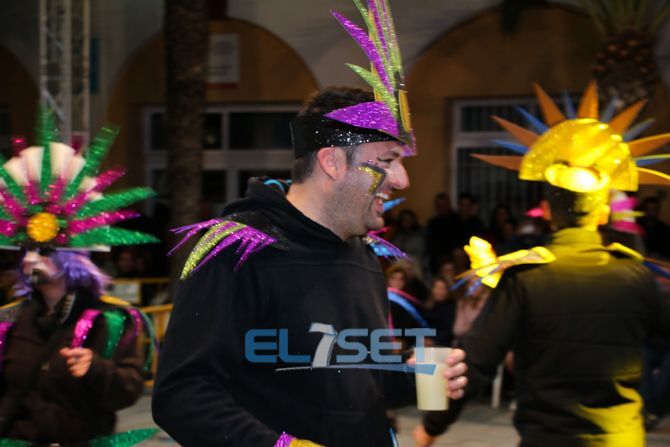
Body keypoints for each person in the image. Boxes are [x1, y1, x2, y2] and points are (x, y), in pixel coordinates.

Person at [152, 2, 467, 446]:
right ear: (332, 162)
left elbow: (353, 383)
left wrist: (414, 377)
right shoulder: (236, 250)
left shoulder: (363, 254)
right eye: (387, 161)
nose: (402, 180)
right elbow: (182, 395)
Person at [414, 82, 670, 447]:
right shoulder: (636, 275)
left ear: (547, 211)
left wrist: (432, 426)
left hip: (548, 438)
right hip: (622, 438)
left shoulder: (526, 277)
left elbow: (479, 362)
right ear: (602, 212)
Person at [0, 115, 158, 445]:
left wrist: (97, 369)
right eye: (26, 250)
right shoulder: (8, 321)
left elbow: (129, 390)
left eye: (44, 251)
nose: (30, 260)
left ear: (71, 257)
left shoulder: (110, 320)